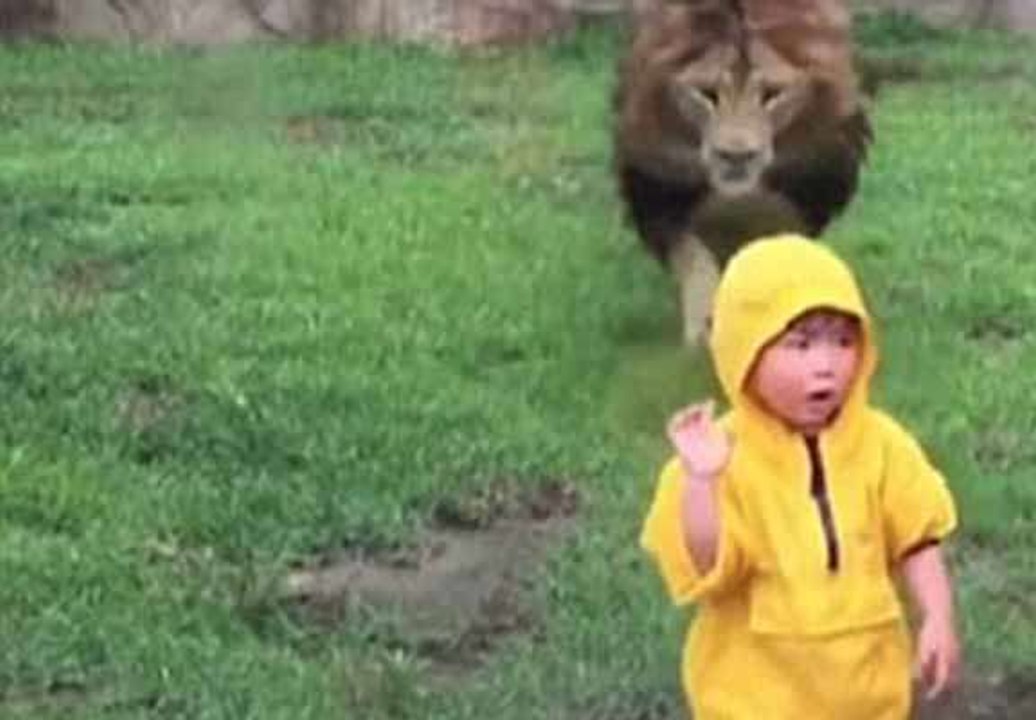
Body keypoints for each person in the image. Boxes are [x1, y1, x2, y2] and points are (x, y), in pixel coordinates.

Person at [640, 235, 961, 719]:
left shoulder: (882, 445)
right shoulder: (721, 456)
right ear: (744, 350)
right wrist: (702, 482)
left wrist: (938, 616)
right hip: (755, 697)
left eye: (843, 341)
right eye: (801, 343)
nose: (826, 365)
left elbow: (917, 537)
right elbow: (710, 566)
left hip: (867, 691)